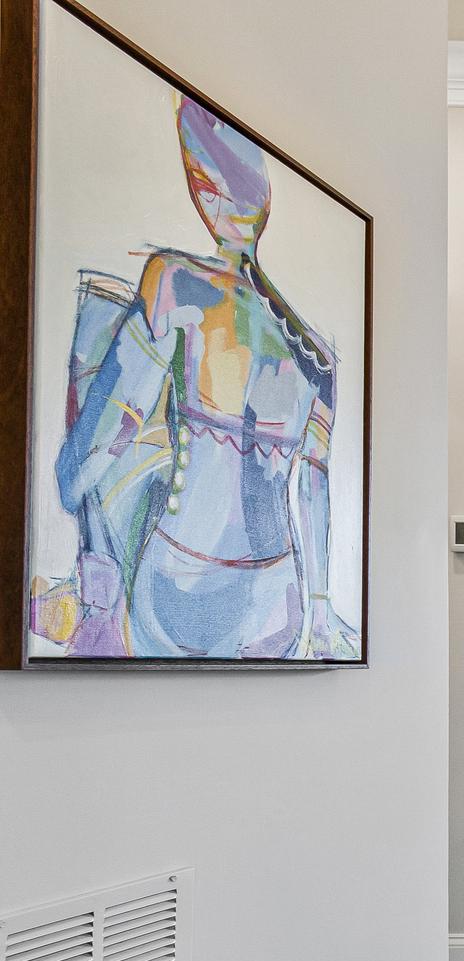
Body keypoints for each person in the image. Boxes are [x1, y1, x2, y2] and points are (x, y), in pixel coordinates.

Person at [30, 95, 355, 660]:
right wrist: (322, 610)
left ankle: (85, 599)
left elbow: (89, 459)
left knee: (113, 468)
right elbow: (313, 492)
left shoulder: (176, 281)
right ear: (266, 198)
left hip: (179, 591)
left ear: (203, 189)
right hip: (279, 610)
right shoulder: (319, 358)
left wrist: (76, 474)